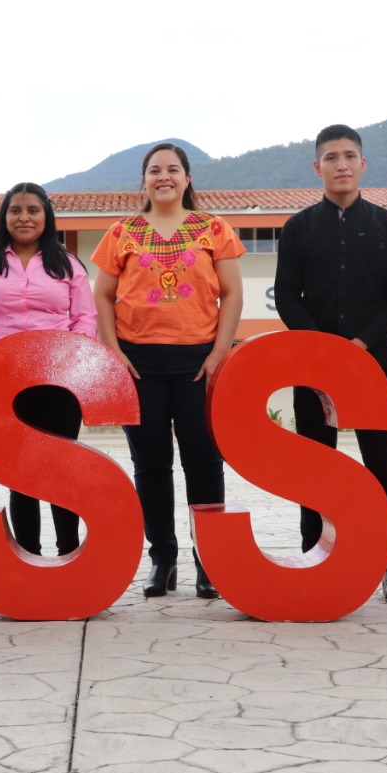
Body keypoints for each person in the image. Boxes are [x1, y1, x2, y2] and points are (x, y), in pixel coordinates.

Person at [91, 143, 244, 599]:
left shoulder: (213, 229)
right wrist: (114, 351)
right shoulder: (122, 232)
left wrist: (218, 353)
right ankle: (163, 559)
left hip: (199, 362)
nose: (164, 176)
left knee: (204, 461)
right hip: (140, 365)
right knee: (151, 465)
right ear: (144, 180)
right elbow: (102, 295)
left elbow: (233, 294)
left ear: (187, 178)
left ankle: (209, 561)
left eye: (173, 169)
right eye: (155, 170)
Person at [273, 124, 387, 604]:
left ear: (363, 164)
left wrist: (359, 343)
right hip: (313, 367)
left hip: (370, 363)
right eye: (331, 157)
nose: (341, 164)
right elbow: (287, 296)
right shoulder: (297, 229)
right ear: (318, 167)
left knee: (381, 464)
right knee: (315, 463)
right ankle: (314, 555)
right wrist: (324, 347)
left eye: (349, 156)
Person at [0, 182, 98, 557]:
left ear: (46, 216)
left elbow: (85, 319)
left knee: (61, 469)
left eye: (33, 210)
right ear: (4, 217)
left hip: (59, 381)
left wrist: (68, 353)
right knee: (21, 473)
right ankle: (29, 557)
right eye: (15, 210)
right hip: (6, 381)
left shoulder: (68, 264)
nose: (24, 217)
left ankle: (69, 554)